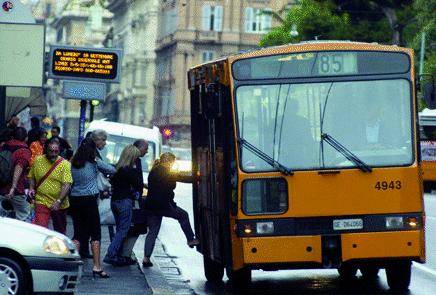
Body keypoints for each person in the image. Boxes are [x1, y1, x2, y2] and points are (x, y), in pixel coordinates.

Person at [142, 152, 199, 268]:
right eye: (172, 162)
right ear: (169, 161)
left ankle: (146, 258)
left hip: (151, 205)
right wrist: (197, 177)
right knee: (183, 215)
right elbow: (182, 178)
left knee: (152, 232)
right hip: (163, 206)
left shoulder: (155, 170)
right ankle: (190, 239)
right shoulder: (164, 171)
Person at [70, 138, 115, 278]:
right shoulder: (94, 162)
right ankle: (97, 267)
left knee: (78, 233)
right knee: (95, 233)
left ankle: (72, 265)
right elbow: (112, 169)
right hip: (89, 200)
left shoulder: (72, 163)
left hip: (75, 199)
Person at [104, 145, 143, 266]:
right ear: (132, 157)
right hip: (124, 201)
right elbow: (138, 184)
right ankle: (111, 254)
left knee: (120, 228)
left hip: (114, 201)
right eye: (136, 157)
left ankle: (116, 254)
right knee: (123, 230)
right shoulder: (130, 170)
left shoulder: (117, 168)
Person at [28, 138, 72, 234]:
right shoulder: (38, 160)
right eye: (51, 151)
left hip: (60, 204)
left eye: (56, 151)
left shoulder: (65, 164)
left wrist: (59, 201)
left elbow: (66, 184)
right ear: (45, 149)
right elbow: (31, 176)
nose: (53, 154)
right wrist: (31, 188)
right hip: (41, 201)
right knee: (40, 230)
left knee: (60, 233)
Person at [119, 139, 149, 264]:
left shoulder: (137, 161)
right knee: (132, 227)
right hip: (131, 199)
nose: (146, 151)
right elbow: (134, 181)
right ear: (138, 148)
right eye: (145, 148)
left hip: (133, 198)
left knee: (135, 227)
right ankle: (122, 254)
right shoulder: (132, 163)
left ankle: (125, 253)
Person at [0, 127, 31, 221]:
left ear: (13, 136)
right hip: (15, 192)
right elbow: (19, 167)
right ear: (26, 138)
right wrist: (13, 188)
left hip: (1, 188)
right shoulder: (24, 150)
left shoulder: (3, 146)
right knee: (24, 216)